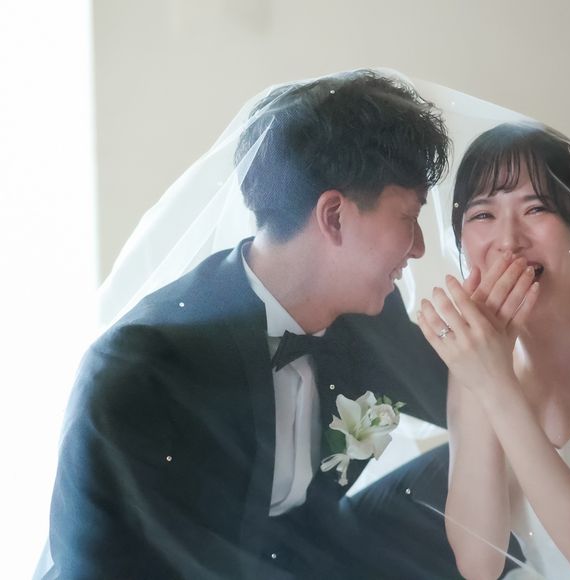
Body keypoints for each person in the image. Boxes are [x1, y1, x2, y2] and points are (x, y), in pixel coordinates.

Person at [43, 69, 459, 579]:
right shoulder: (141, 368)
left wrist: (501, 335)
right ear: (333, 216)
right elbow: (95, 563)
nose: (419, 248)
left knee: (482, 465)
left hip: (311, 557)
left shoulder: (369, 318)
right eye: (408, 218)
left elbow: (468, 399)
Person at [417, 122, 570, 579]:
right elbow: (479, 562)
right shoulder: (475, 359)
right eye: (483, 214)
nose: (508, 241)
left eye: (536, 208)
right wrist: (482, 374)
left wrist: (495, 384)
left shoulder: (485, 369)